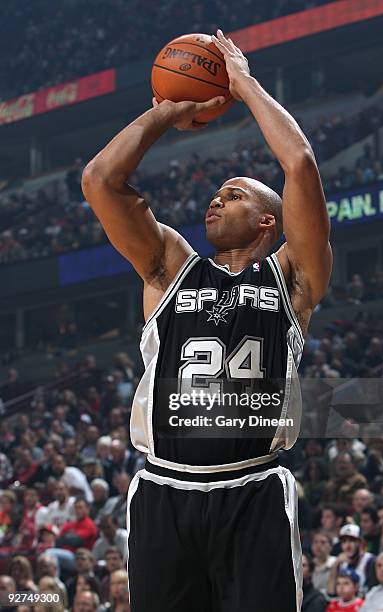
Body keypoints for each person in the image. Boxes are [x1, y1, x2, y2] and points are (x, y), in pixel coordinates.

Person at [82, 29, 332, 612]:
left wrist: (243, 86)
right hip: (165, 489)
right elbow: (100, 181)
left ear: (269, 221)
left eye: (235, 194)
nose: (215, 201)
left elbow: (299, 163)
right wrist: (166, 113)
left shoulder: (293, 279)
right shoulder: (169, 266)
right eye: (217, 194)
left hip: (253, 487)